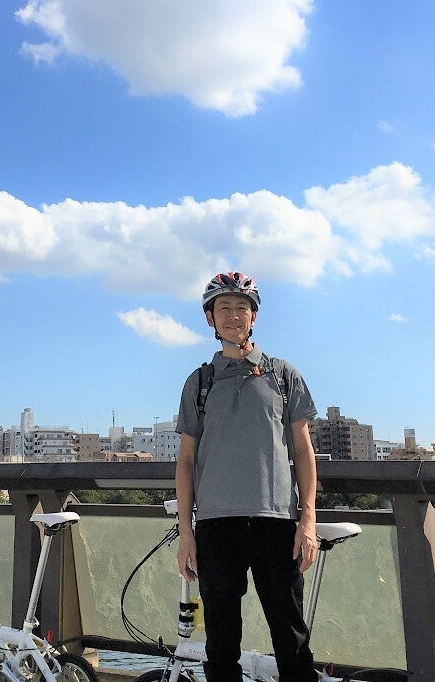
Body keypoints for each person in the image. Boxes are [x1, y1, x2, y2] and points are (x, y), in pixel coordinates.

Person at [174, 271, 319, 682]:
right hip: (216, 525)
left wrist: (308, 520)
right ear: (210, 318)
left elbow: (304, 451)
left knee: (291, 640)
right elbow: (185, 462)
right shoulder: (199, 382)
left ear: (254, 316)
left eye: (242, 307)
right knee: (220, 645)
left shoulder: (283, 375)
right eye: (224, 307)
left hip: (277, 521)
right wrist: (186, 533)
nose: (233, 315)